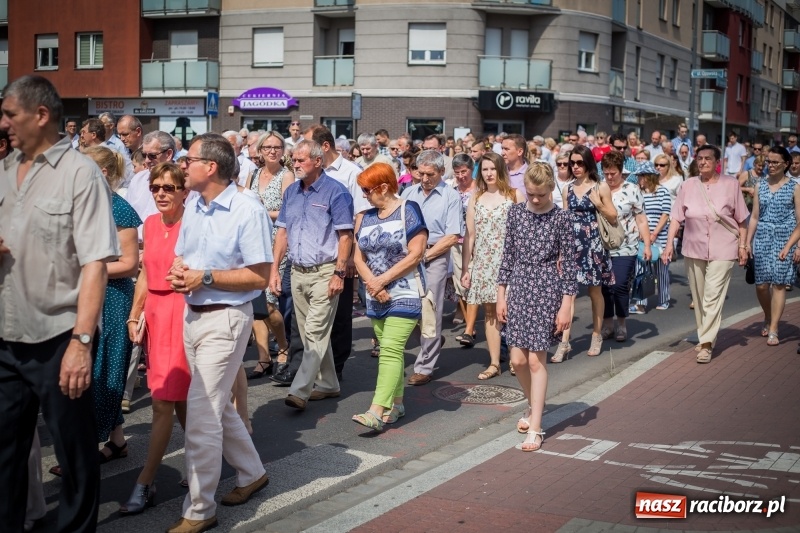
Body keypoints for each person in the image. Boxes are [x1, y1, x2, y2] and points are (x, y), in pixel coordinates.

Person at [0, 75, 120, 533]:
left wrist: (81, 342)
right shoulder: (5, 169)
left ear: (41, 115)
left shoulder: (80, 174)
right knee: (6, 454)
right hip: (6, 338)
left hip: (57, 339)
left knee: (73, 455)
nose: (4, 123)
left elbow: (95, 263)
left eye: (11, 114)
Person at [166, 133, 272, 533]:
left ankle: (199, 510)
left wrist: (203, 276)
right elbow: (188, 254)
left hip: (226, 319)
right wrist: (180, 268)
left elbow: (260, 276)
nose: (181, 164)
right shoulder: (195, 203)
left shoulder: (247, 210)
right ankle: (252, 473)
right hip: (193, 315)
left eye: (187, 158)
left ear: (209, 167)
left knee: (202, 413)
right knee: (216, 407)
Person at [119, 162, 191, 515]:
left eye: (169, 187)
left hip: (183, 313)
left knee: (164, 400)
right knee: (180, 402)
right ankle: (202, 463)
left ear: (184, 191)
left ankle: (145, 481)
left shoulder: (192, 224)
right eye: (156, 188)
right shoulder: (149, 222)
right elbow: (147, 273)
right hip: (158, 316)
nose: (161, 193)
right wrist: (136, 314)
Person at [497, 162, 576, 451]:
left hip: (546, 289)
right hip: (519, 286)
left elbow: (569, 264)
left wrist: (566, 304)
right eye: (530, 193)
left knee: (534, 360)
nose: (535, 199)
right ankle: (533, 406)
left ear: (551, 189)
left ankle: (537, 426)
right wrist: (501, 294)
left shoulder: (561, 218)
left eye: (540, 194)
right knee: (517, 361)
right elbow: (507, 256)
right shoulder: (515, 213)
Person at [270, 140, 354, 411]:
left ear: (318, 161)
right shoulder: (291, 192)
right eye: (293, 160)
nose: (294, 164)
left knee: (316, 331)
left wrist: (339, 273)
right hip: (297, 272)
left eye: (300, 160)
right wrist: (274, 269)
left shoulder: (336, 192)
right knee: (309, 335)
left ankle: (300, 389)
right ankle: (329, 384)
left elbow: (345, 236)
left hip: (325, 272)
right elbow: (282, 232)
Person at [352, 163, 427, 430]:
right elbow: (357, 256)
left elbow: (416, 253)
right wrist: (373, 283)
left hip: (404, 291)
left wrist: (383, 280)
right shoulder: (365, 216)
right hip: (375, 293)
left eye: (367, 189)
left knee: (391, 349)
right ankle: (397, 404)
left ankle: (376, 410)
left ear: (384, 187)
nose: (364, 195)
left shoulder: (409, 209)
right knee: (389, 351)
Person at [82, 146, 141, 470]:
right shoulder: (86, 205)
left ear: (102, 173)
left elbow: (130, 265)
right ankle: (117, 441)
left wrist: (89, 269)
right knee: (96, 371)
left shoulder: (120, 209)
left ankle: (86, 448)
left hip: (114, 299)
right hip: (88, 294)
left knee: (103, 371)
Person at [663, 144, 749, 364]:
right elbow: (676, 217)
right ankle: (705, 336)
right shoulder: (688, 185)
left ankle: (707, 343)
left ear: (717, 161)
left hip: (724, 248)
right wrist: (669, 244)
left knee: (712, 296)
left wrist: (743, 246)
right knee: (700, 297)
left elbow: (742, 219)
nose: (702, 162)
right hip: (693, 247)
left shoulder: (731, 185)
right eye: (699, 158)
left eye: (707, 158)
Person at [401, 150, 463, 385]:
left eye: (430, 174)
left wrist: (424, 255)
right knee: (408, 307)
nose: (424, 179)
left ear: (441, 172)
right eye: (421, 173)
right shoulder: (408, 192)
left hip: (434, 257)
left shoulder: (450, 196)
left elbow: (452, 236)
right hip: (408, 256)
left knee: (430, 309)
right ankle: (433, 341)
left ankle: (425, 366)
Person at [461, 152, 525, 379]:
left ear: (500, 170)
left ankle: (517, 359)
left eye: (492, 168)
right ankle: (495, 362)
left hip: (511, 261)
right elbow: (470, 235)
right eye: (484, 169)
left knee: (514, 311)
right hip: (484, 263)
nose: (488, 173)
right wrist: (466, 268)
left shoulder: (514, 195)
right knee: (490, 313)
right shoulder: (475, 198)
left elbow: (524, 233)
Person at [245, 132, 294, 379]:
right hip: (253, 241)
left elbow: (287, 212)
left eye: (277, 147)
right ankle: (264, 358)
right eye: (268, 147)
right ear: (260, 150)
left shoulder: (287, 176)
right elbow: (244, 201)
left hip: (277, 242)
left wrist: (261, 211)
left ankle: (283, 346)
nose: (272, 151)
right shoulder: (253, 174)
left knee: (269, 302)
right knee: (254, 301)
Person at [561, 145, 616, 359]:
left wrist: (599, 205)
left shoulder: (600, 187)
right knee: (569, 294)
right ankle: (564, 342)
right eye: (571, 163)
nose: (575, 167)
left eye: (579, 162)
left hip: (593, 245)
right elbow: (565, 220)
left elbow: (613, 217)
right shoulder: (567, 188)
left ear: (588, 164)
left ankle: (596, 335)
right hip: (572, 246)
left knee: (595, 292)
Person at [744, 147, 799, 346]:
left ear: (786, 164)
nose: (771, 165)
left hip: (787, 238)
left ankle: (774, 328)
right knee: (761, 285)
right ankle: (768, 315)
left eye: (776, 162)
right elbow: (755, 216)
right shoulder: (760, 185)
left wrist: (797, 246)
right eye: (769, 161)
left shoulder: (795, 187)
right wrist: (747, 242)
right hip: (763, 237)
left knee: (778, 283)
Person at [599, 152, 651, 340]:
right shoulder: (599, 188)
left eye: (613, 173)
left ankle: (621, 323)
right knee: (604, 287)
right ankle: (607, 324)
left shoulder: (631, 189)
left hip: (626, 244)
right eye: (606, 173)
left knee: (620, 284)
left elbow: (641, 219)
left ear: (621, 171)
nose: (610, 177)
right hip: (602, 245)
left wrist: (646, 245)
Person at [631, 161, 672, 313]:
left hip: (660, 236)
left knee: (661, 269)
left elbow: (665, 214)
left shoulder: (663, 191)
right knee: (641, 268)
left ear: (649, 177)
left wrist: (654, 233)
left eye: (641, 176)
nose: (638, 179)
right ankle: (640, 303)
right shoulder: (638, 193)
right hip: (642, 237)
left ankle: (664, 299)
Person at [450, 153, 478, 337]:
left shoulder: (480, 188)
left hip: (476, 240)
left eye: (464, 171)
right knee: (460, 282)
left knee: (474, 281)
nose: (461, 176)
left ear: (471, 169)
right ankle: (470, 326)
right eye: (457, 172)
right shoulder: (450, 189)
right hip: (455, 241)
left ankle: (471, 324)